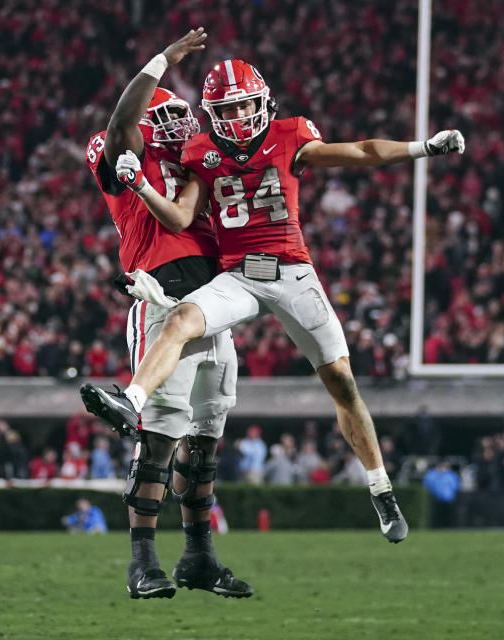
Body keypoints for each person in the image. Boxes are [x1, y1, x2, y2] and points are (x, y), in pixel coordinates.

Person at [83, 54, 465, 544]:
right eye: (229, 109)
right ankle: (129, 400)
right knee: (180, 319)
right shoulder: (199, 151)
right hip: (238, 275)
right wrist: (136, 184)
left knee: (343, 384)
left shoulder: (290, 135)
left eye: (245, 107)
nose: (239, 118)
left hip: (292, 274)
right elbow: (178, 219)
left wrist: (422, 148)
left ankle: (381, 487)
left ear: (262, 103)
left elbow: (363, 151)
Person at [78, 30, 252, 599]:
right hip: (160, 296)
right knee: (159, 437)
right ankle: (142, 561)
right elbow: (123, 124)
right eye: (170, 113)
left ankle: (198, 556)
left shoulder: (195, 158)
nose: (183, 121)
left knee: (204, 442)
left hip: (214, 301)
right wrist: (161, 61)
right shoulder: (121, 146)